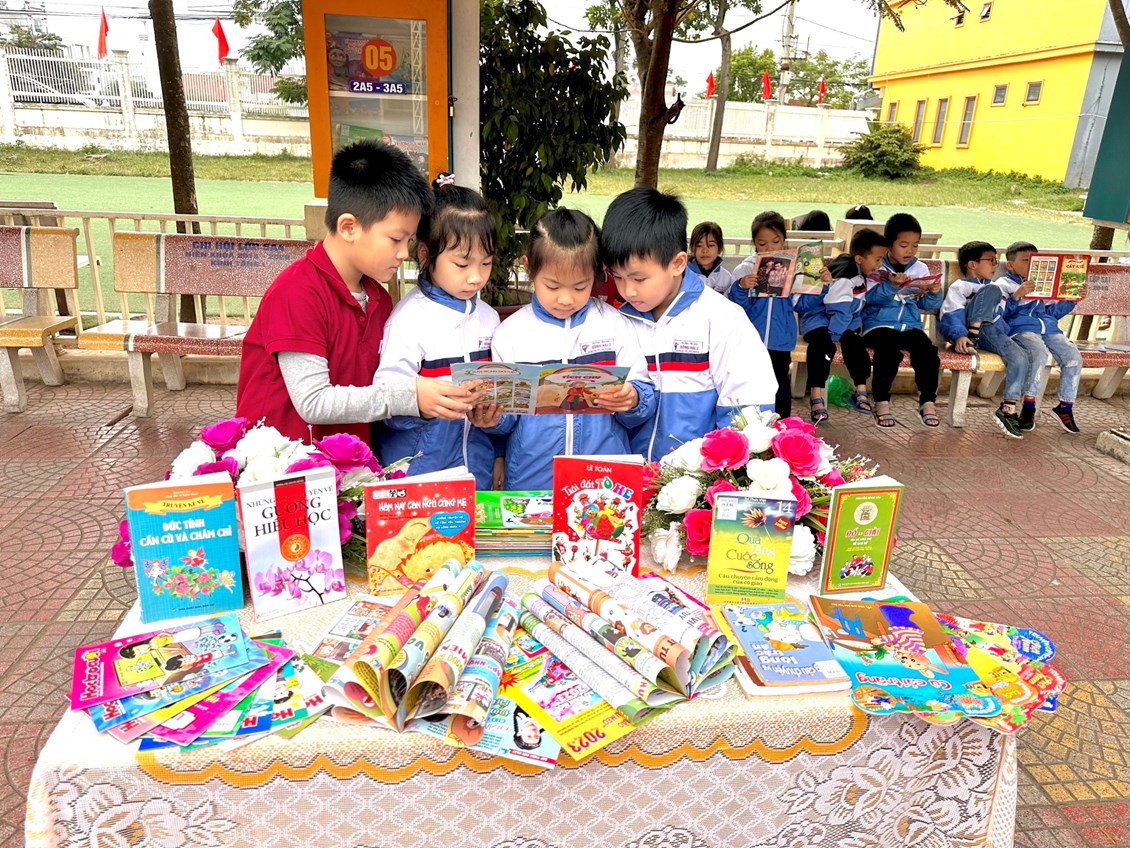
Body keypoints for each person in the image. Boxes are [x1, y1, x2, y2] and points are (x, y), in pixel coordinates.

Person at [236, 140, 478, 444]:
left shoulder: (378, 299)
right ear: (349, 227)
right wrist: (411, 395)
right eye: (396, 239)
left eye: (409, 241)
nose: (404, 253)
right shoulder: (297, 293)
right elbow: (313, 401)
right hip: (285, 463)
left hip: (350, 463)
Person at [477, 208, 655, 489]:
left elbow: (644, 397)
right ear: (529, 267)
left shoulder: (614, 325)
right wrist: (492, 418)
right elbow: (507, 420)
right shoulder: (511, 333)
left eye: (580, 287)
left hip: (603, 480)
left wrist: (632, 399)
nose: (565, 299)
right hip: (532, 478)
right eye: (552, 286)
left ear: (596, 274)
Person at [601, 187, 777, 461]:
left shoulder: (722, 319)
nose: (628, 291)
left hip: (696, 478)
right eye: (617, 277)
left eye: (639, 278)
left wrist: (719, 472)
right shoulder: (615, 321)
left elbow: (748, 412)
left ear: (678, 263)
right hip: (625, 478)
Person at [374, 176, 499, 488]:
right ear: (426, 255)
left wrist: (494, 419)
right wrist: (422, 404)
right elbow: (385, 400)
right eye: (462, 265)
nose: (476, 277)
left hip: (477, 471)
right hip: (420, 473)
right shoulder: (409, 319)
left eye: (486, 263)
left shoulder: (490, 318)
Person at [860, 213, 943, 428]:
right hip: (878, 325)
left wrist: (933, 292)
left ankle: (927, 401)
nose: (910, 251)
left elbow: (926, 304)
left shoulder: (920, 268)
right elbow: (870, 299)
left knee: (927, 352)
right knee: (888, 352)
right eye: (904, 245)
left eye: (915, 245)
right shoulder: (877, 266)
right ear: (889, 245)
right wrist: (892, 286)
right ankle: (881, 401)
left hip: (910, 326)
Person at [795, 228, 886, 423]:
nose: (880, 264)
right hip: (817, 321)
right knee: (822, 346)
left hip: (841, 323)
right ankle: (816, 395)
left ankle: (860, 390)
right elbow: (839, 310)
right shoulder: (846, 277)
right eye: (878, 259)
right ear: (859, 259)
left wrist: (849, 332)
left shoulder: (860, 272)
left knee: (856, 344)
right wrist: (835, 336)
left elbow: (855, 308)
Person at [938, 241, 1027, 439]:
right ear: (972, 264)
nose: (996, 265)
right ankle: (973, 333)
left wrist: (1015, 300)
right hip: (969, 331)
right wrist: (959, 335)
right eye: (991, 260)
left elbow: (1002, 315)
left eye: (997, 260)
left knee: (1019, 356)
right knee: (992, 290)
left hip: (991, 332)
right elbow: (951, 314)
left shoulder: (997, 289)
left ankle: (1008, 408)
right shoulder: (961, 286)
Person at [1000, 241, 1083, 433]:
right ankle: (1028, 406)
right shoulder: (1003, 285)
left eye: (1035, 260)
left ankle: (1065, 406)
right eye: (1026, 260)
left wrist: (1072, 300)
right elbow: (1000, 314)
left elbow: (1051, 313)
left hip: (1048, 329)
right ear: (1010, 265)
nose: (1032, 265)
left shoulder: (1043, 284)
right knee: (1038, 353)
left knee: (1073, 356)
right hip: (1022, 330)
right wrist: (1016, 296)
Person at [729, 211, 799, 417]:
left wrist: (820, 286)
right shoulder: (746, 269)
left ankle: (782, 426)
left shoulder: (794, 268)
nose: (770, 248)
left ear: (784, 240)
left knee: (780, 383)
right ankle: (748, 424)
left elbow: (803, 304)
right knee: (750, 384)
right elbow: (735, 309)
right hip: (751, 340)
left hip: (780, 341)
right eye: (762, 243)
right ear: (754, 243)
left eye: (775, 242)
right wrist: (741, 287)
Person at [686, 221, 732, 294]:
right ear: (692, 248)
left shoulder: (725, 278)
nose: (705, 251)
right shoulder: (684, 275)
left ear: (719, 248)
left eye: (710, 245)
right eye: (699, 246)